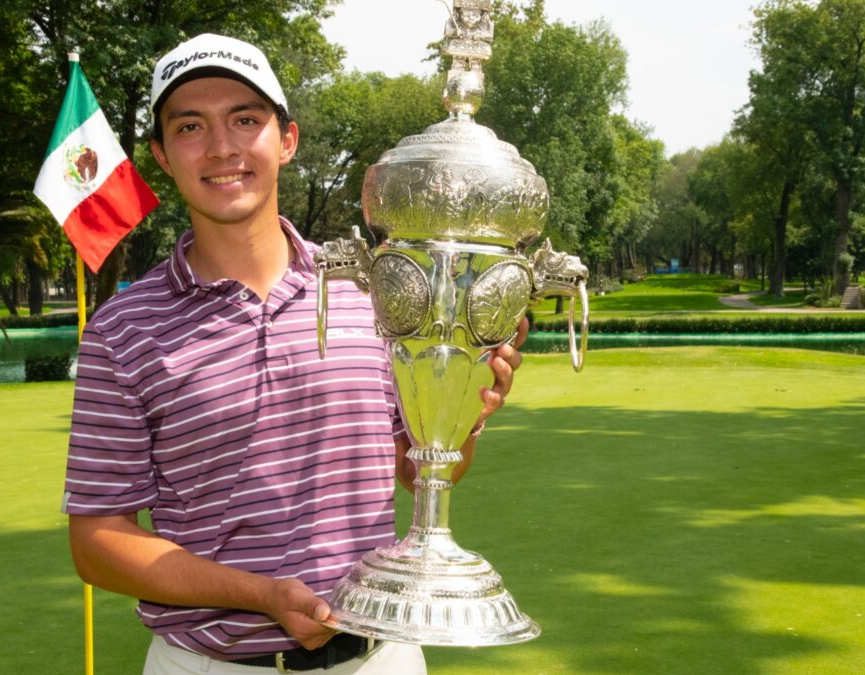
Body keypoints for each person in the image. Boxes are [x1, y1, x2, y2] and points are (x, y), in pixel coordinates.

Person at [62, 33, 525, 674]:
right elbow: (97, 543)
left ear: (287, 140)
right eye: (191, 125)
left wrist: (462, 411)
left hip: (379, 659)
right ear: (162, 157)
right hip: (209, 667)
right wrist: (259, 595)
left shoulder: (376, 290)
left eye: (245, 120)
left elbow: (418, 472)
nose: (222, 147)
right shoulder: (122, 330)